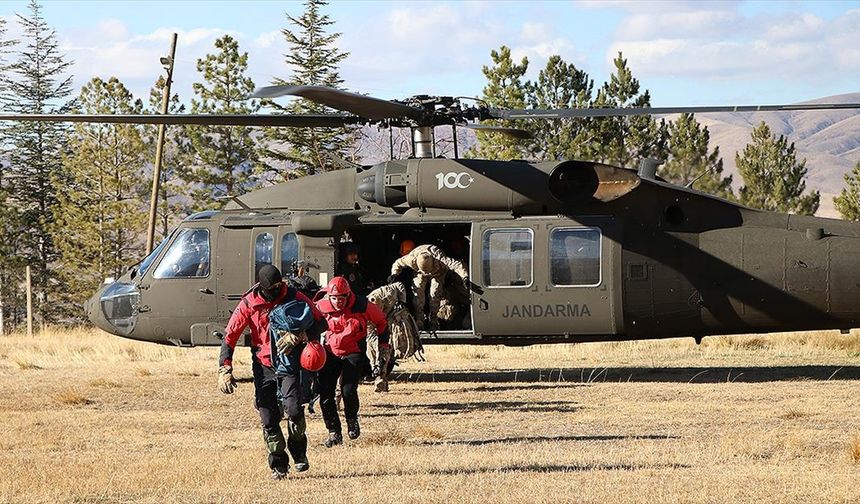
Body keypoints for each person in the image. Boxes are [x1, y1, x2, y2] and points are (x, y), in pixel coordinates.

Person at [217, 264, 325, 480]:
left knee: (294, 410)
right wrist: (225, 367)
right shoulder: (249, 303)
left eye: (280, 285)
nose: (278, 290)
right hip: (263, 363)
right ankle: (278, 463)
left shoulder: (294, 295)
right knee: (268, 416)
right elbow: (230, 335)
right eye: (273, 287)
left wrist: (300, 335)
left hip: (289, 360)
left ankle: (299, 451)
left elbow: (321, 322)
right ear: (263, 287)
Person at [314, 276, 388, 447]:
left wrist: (383, 345)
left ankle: (352, 420)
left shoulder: (362, 305)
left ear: (348, 296)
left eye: (341, 298)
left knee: (348, 390)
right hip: (329, 353)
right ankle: (334, 432)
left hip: (353, 351)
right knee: (325, 393)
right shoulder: (319, 307)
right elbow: (308, 323)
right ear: (328, 297)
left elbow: (381, 322)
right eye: (334, 298)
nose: (338, 302)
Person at [389, 244, 469, 330]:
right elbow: (398, 263)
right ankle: (419, 319)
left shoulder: (440, 259)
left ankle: (434, 320)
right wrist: (394, 274)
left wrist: (465, 277)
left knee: (434, 294)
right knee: (418, 290)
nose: (428, 275)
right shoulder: (411, 258)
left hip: (437, 272)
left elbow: (456, 265)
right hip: (420, 273)